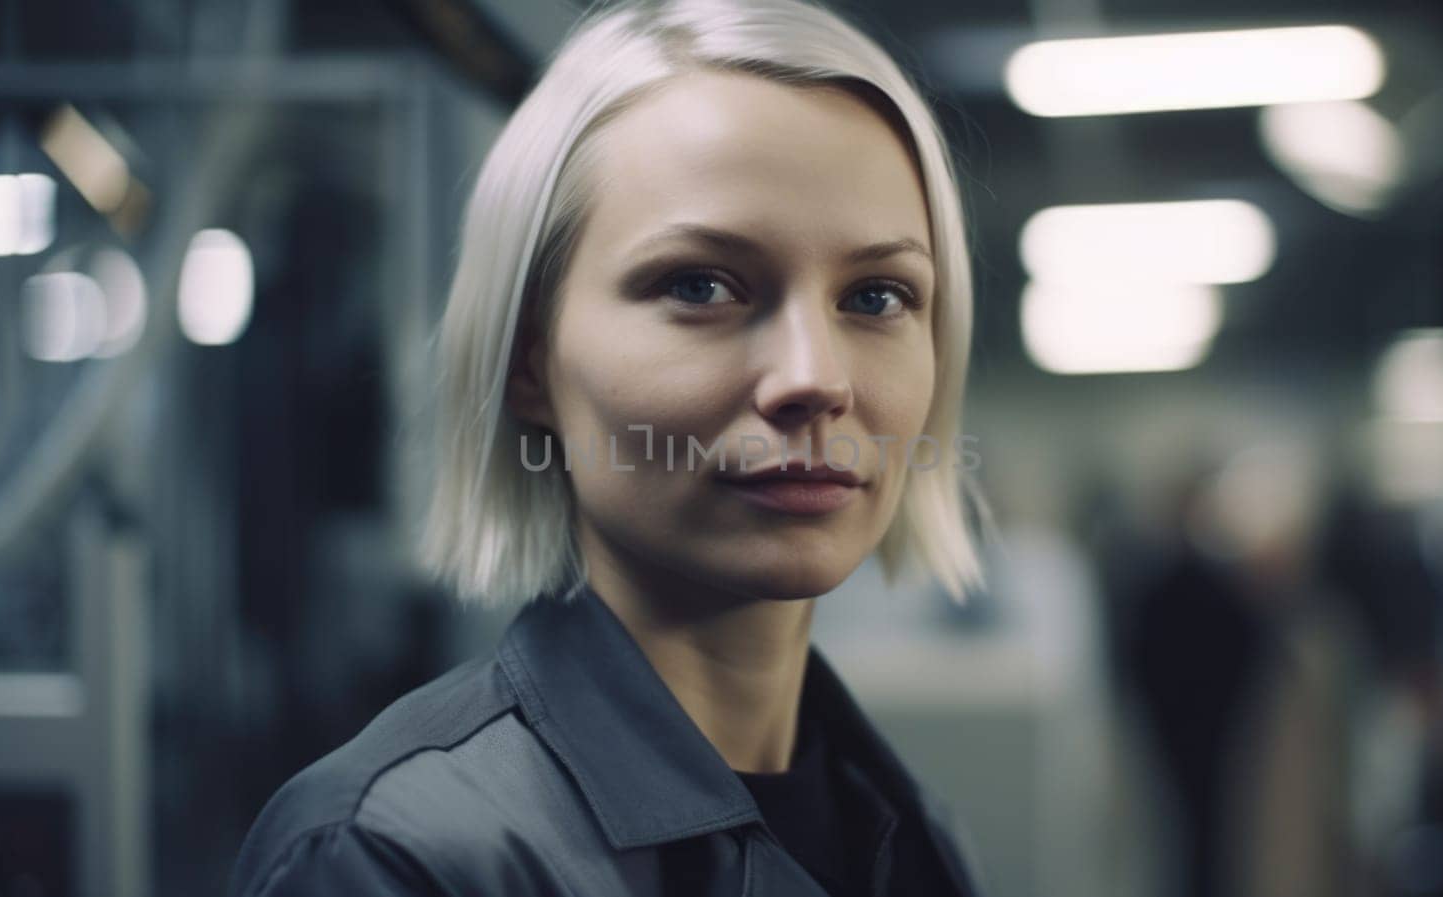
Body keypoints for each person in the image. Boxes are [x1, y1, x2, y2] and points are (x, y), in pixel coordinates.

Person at [226, 0, 994, 894]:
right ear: (528, 364)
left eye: (876, 298)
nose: (814, 378)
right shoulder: (392, 858)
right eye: (701, 284)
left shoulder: (916, 837)